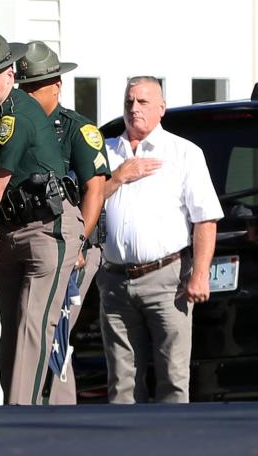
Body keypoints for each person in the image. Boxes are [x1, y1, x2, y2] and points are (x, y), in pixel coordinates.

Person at [0, 30, 83, 405]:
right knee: (12, 327)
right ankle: (13, 407)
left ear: (10, 73)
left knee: (33, 323)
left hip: (46, 227)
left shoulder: (15, 112)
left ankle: (20, 412)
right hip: (14, 229)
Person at [99, 76, 222, 403]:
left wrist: (199, 274)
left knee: (172, 376)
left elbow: (205, 219)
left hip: (167, 278)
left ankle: (172, 444)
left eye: (142, 102)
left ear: (161, 109)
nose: (134, 108)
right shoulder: (106, 151)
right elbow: (85, 203)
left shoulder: (183, 153)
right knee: (122, 382)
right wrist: (118, 178)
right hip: (114, 278)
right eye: (129, 102)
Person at [14, 41, 110, 404]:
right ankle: (30, 401)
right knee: (29, 323)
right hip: (34, 238)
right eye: (23, 87)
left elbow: (95, 190)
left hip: (74, 245)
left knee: (57, 325)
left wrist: (79, 244)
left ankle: (59, 408)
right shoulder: (19, 126)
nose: (27, 94)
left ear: (56, 84)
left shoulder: (76, 130)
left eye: (35, 86)